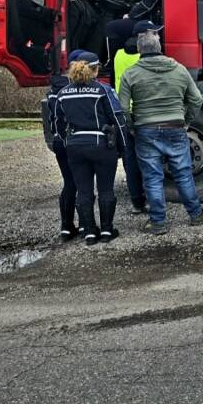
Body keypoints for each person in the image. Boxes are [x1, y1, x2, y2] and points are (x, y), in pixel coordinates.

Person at [118, 24, 203, 235]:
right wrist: (185, 121)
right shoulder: (179, 69)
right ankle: (196, 215)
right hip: (175, 127)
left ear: (140, 49)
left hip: (146, 130)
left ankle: (158, 222)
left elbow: (122, 108)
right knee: (184, 173)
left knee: (152, 177)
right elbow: (197, 99)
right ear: (160, 46)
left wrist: (132, 127)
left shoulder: (131, 74)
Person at [55, 51, 127, 245]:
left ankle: (89, 232)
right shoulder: (102, 90)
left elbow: (58, 123)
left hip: (75, 146)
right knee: (105, 189)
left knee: (83, 190)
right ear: (95, 70)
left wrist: (67, 140)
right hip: (101, 144)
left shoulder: (63, 93)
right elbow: (117, 118)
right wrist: (123, 146)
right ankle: (106, 230)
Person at [46, 48, 85, 241]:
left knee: (69, 183)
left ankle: (66, 226)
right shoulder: (75, 88)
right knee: (83, 182)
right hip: (76, 141)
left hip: (60, 141)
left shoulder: (54, 90)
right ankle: (86, 225)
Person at [113, 29, 146, 215]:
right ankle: (150, 198)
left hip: (124, 113)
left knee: (130, 160)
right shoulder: (142, 60)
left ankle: (136, 202)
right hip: (141, 112)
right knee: (148, 158)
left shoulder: (118, 56)